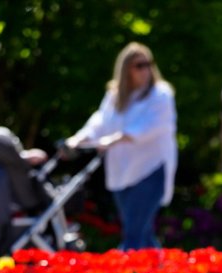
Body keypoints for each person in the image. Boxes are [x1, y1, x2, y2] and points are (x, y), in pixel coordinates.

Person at [66, 42, 177, 251]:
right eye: (139, 65)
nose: (146, 70)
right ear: (126, 69)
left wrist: (117, 138)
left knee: (134, 233)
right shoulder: (115, 96)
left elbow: (153, 126)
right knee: (141, 232)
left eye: (148, 64)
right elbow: (99, 122)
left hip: (150, 170)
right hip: (123, 171)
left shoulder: (161, 95)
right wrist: (79, 139)